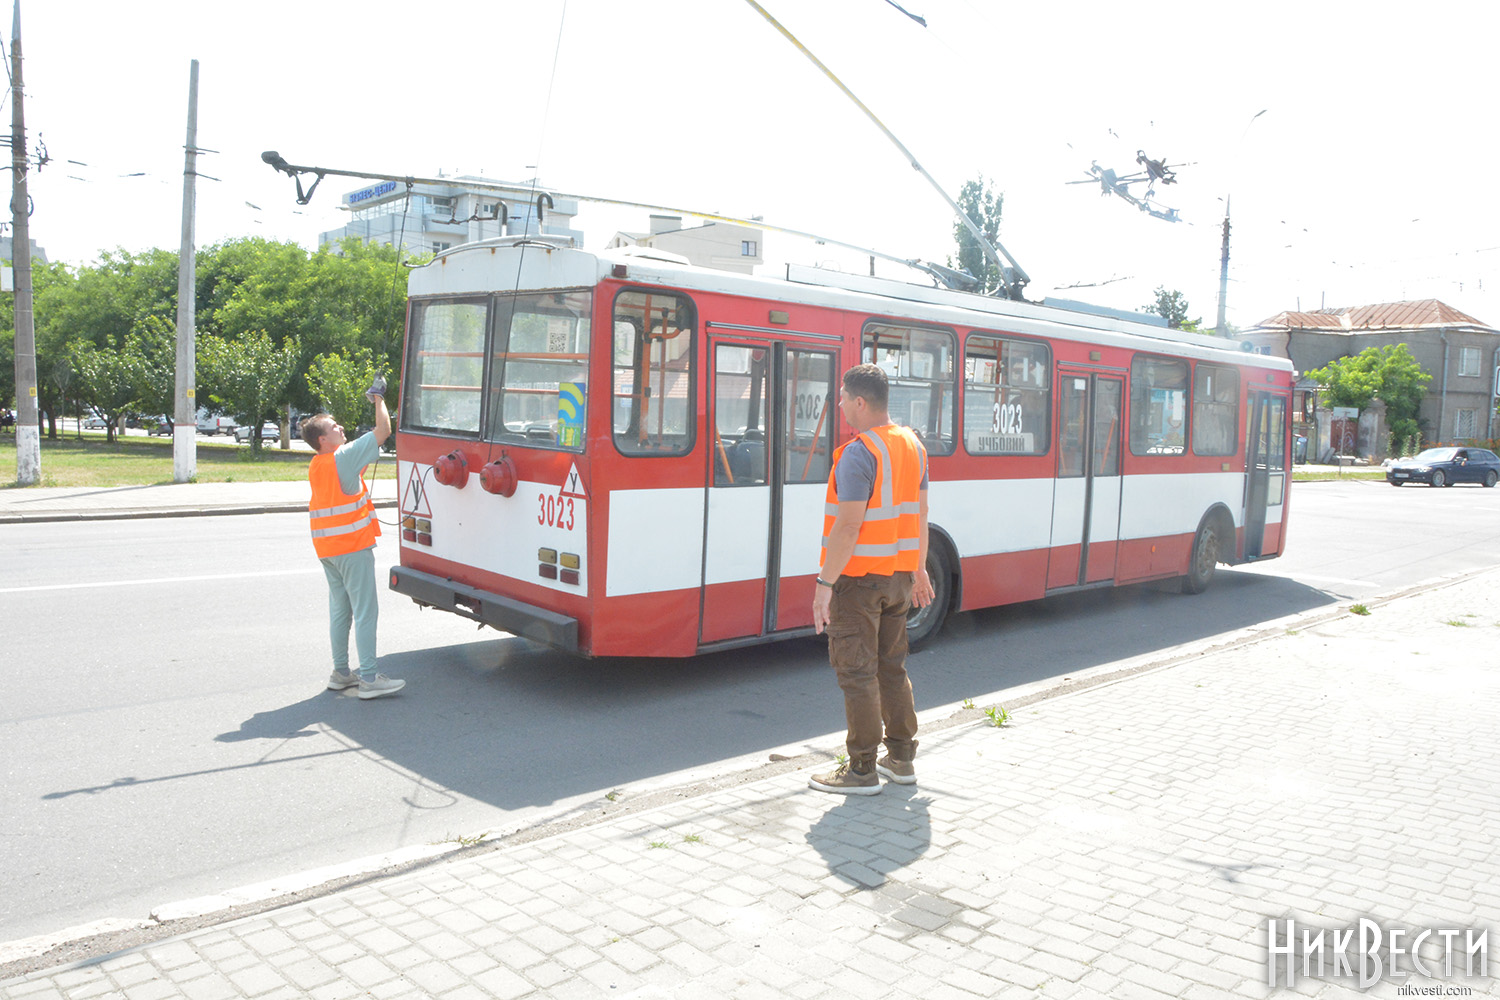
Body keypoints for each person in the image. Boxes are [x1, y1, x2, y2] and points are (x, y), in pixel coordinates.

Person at [809, 363, 934, 794]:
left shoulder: (859, 453)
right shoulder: (913, 446)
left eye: (843, 398)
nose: (841, 405)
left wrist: (824, 586)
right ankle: (900, 758)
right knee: (891, 668)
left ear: (860, 402)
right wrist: (919, 569)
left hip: (859, 582)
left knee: (858, 673)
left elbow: (848, 527)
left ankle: (861, 769)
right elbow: (921, 514)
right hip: (898, 579)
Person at [302, 377, 405, 700]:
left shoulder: (317, 464)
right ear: (323, 439)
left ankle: (341, 673)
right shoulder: (342, 457)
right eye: (334, 427)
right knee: (365, 612)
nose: (341, 427)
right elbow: (383, 431)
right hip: (352, 548)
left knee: (340, 611)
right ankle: (370, 679)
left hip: (328, 550)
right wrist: (378, 398)